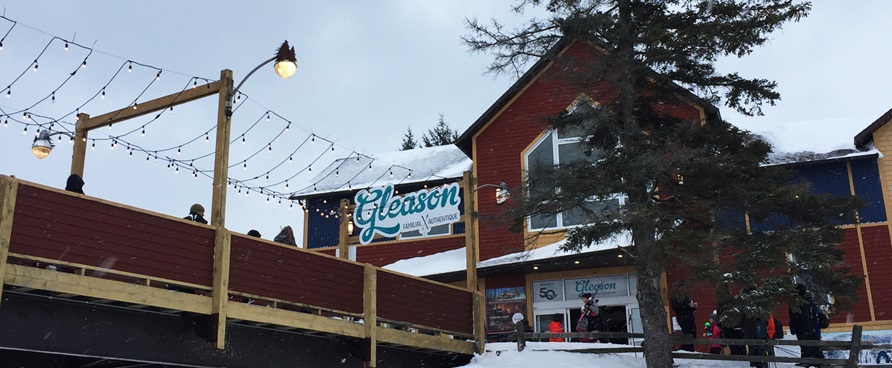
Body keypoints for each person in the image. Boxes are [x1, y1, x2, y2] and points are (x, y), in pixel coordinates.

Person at [790, 283, 824, 364]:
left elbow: (804, 317)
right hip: (810, 328)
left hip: (805, 328)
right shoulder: (805, 302)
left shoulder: (801, 303)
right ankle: (815, 361)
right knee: (812, 346)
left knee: (808, 346)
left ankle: (812, 361)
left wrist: (796, 327)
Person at [740, 285, 767, 368]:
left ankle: (755, 364)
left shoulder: (746, 302)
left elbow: (743, 317)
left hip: (751, 329)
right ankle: (761, 363)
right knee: (760, 348)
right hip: (759, 329)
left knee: (753, 349)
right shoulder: (760, 301)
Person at [671, 280, 698, 351]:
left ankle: (688, 349)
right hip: (683, 317)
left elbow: (688, 307)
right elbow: (676, 307)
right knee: (687, 334)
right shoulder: (675, 296)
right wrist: (688, 306)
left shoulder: (687, 296)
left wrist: (693, 307)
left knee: (693, 333)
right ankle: (686, 349)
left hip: (689, 317)